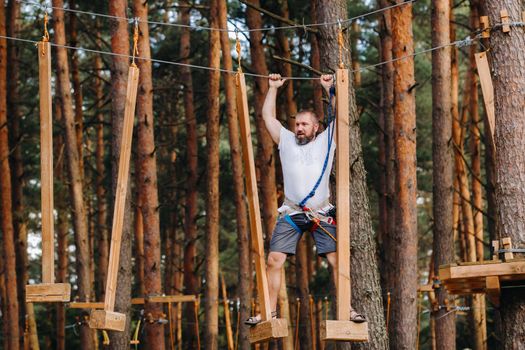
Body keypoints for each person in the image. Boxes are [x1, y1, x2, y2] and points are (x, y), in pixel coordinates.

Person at [245, 73, 365, 325]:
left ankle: (348, 309)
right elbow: (268, 117)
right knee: (273, 259)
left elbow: (341, 118)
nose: (299, 128)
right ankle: (269, 312)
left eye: (304, 124)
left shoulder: (326, 141)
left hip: (321, 213)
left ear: (316, 127)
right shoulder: (286, 140)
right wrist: (273, 88)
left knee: (336, 260)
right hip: (291, 213)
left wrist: (330, 89)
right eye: (297, 124)